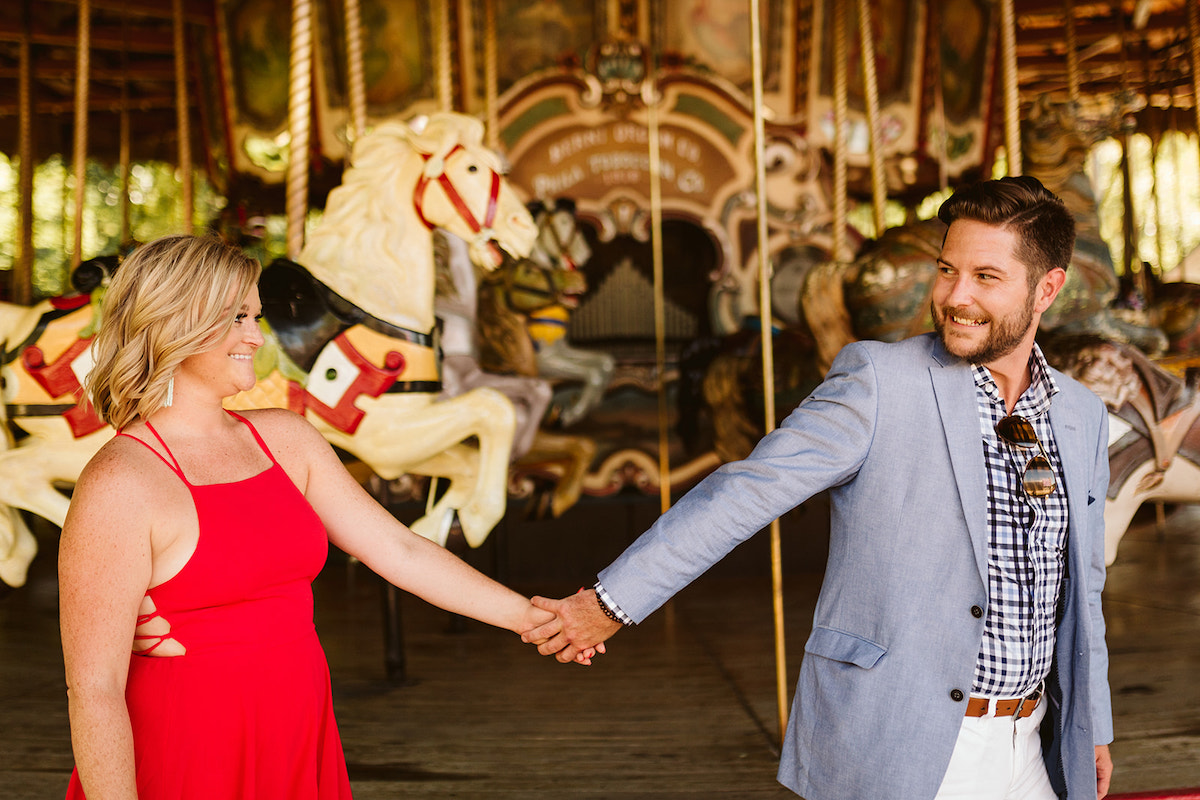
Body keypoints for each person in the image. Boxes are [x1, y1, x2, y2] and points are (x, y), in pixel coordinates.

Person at [524, 176, 1114, 800]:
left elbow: (1085, 586)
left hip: (1034, 750)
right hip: (902, 743)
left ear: (1047, 288)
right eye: (947, 269)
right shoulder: (879, 381)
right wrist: (608, 604)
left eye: (986, 277)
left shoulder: (1080, 414)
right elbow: (744, 492)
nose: (954, 296)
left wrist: (1092, 725)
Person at [59, 234, 589, 799]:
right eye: (236, 317)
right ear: (175, 323)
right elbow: (94, 688)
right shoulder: (121, 481)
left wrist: (527, 618)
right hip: (188, 749)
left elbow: (400, 550)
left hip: (297, 736)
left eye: (255, 316)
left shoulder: (287, 439)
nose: (255, 336)